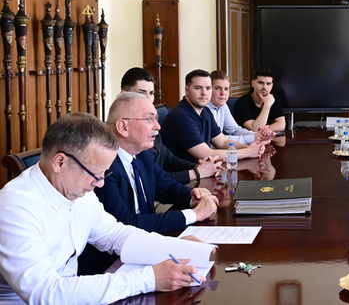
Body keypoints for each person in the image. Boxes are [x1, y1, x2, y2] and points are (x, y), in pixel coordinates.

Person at [0, 113, 204, 304]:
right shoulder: (15, 209)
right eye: (95, 174)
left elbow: (113, 234)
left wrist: (171, 247)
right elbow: (45, 293)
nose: (100, 184)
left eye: (104, 174)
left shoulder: (77, 189)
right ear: (60, 162)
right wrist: (148, 279)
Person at [81, 93, 219, 275]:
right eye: (149, 119)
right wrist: (194, 214)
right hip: (109, 265)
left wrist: (192, 197)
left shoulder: (142, 154)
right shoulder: (103, 167)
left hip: (143, 249)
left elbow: (165, 185)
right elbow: (127, 223)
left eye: (156, 119)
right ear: (123, 127)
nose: (157, 126)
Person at [121, 67, 223, 184]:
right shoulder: (127, 132)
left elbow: (168, 159)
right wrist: (197, 172)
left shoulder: (152, 123)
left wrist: (201, 167)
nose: (148, 99)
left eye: (151, 93)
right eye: (141, 93)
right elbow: (153, 181)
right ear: (124, 95)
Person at [161, 70, 268, 162]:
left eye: (208, 88)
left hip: (202, 169)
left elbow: (223, 142)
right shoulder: (181, 117)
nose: (204, 93)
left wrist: (250, 147)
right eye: (198, 88)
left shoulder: (205, 111)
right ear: (187, 90)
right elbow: (206, 154)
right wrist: (247, 152)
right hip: (183, 175)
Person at [208, 70, 275, 144]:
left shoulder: (223, 106)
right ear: (209, 89)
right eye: (217, 88)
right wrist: (254, 137)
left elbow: (235, 130)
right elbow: (218, 140)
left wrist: (258, 135)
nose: (223, 93)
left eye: (226, 89)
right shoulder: (204, 109)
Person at [232, 67, 286, 133]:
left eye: (268, 84)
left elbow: (281, 125)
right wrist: (267, 105)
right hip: (246, 138)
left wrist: (265, 130)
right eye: (261, 83)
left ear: (272, 86)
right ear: (253, 83)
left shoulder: (273, 97)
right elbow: (254, 129)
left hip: (265, 137)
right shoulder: (242, 102)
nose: (264, 87)